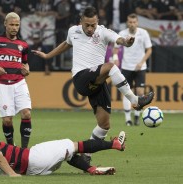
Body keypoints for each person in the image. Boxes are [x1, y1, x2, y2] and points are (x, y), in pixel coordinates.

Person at [32, 6, 154, 162]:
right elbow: (66, 44)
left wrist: (127, 42)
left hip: (97, 80)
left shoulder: (103, 32)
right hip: (81, 78)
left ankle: (86, 156)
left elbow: (120, 40)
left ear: (98, 22)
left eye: (93, 25)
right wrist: (48, 55)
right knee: (110, 66)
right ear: (81, 21)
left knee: (104, 125)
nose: (90, 28)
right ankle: (135, 100)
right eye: (87, 25)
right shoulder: (73, 31)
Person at [0, 123, 126, 176]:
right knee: (73, 145)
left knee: (67, 153)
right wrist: (12, 175)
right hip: (34, 158)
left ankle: (92, 169)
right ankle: (115, 144)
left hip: (33, 170)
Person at [0, 12, 32, 148]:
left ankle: (24, 150)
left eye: (17, 25)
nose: (14, 28)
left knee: (26, 113)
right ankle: (11, 148)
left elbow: (25, 63)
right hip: (2, 84)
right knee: (7, 121)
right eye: (11, 24)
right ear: (5, 24)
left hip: (19, 82)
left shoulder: (23, 45)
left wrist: (26, 70)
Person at [113, 13, 152, 126]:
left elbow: (149, 50)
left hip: (140, 67)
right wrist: (115, 58)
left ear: (137, 23)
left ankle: (136, 116)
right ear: (127, 22)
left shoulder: (143, 33)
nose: (132, 24)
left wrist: (141, 62)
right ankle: (127, 119)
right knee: (126, 92)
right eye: (130, 22)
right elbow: (116, 48)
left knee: (140, 92)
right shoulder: (122, 33)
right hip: (126, 66)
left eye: (134, 22)